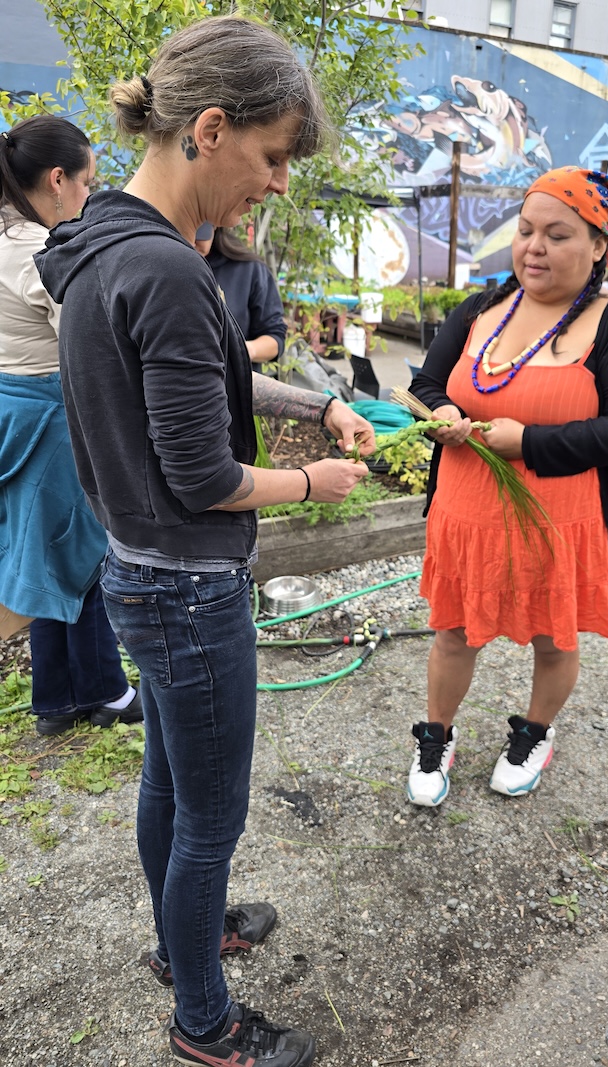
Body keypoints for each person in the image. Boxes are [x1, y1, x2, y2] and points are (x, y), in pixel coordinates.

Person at [35, 17, 374, 1067]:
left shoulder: (96, 239)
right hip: (188, 583)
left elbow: (206, 373)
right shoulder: (174, 270)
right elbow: (208, 477)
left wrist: (316, 409)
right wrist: (315, 480)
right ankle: (205, 1021)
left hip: (133, 566)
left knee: (169, 784)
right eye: (271, 157)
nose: (275, 183)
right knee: (208, 817)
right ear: (211, 129)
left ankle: (183, 941)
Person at [405, 165, 608, 807]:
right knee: (454, 632)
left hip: (566, 521)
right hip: (468, 515)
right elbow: (426, 383)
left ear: (602, 245)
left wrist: (531, 443)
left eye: (557, 234)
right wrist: (438, 412)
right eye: (525, 231)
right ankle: (436, 734)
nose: (534, 247)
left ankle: (534, 734)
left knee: (555, 638)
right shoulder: (480, 311)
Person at [0, 115, 143, 737]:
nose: (90, 196)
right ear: (57, 180)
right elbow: (87, 338)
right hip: (52, 416)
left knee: (49, 555)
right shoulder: (37, 254)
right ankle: (104, 691)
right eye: (89, 182)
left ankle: (58, 698)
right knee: (83, 555)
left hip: (13, 412)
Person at [194, 223, 286, 370]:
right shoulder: (161, 266)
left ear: (216, 224)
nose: (191, 241)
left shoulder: (248, 270)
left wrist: (243, 351)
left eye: (199, 234)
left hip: (231, 382)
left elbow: (275, 337)